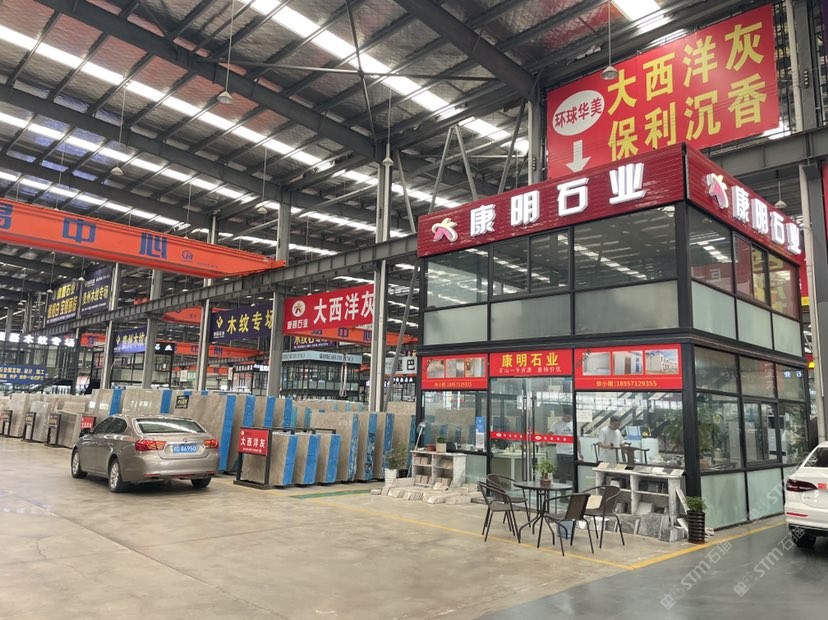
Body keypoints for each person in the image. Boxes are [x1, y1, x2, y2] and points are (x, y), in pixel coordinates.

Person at [550, 410, 577, 482]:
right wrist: (544, 442)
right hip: (561, 453)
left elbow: (576, 439)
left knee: (574, 475)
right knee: (563, 475)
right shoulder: (557, 424)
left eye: (570, 417)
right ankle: (563, 489)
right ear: (563, 415)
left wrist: (579, 452)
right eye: (568, 417)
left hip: (572, 453)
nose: (569, 419)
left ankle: (574, 489)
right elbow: (549, 434)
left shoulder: (573, 424)